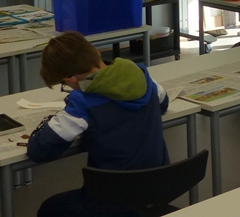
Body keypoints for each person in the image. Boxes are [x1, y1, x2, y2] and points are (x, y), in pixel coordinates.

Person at [27, 32, 169, 217]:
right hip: (159, 190)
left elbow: (40, 150)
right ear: (97, 53)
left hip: (111, 203)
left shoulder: (83, 103)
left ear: (71, 80)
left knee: (49, 209)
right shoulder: (141, 75)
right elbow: (163, 104)